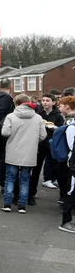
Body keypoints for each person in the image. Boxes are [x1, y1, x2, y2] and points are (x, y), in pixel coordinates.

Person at [1, 94, 47, 214]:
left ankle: (7, 203)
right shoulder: (38, 118)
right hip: (29, 151)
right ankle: (22, 205)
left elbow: (5, 132)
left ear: (17, 104)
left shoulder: (10, 116)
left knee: (10, 178)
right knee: (25, 179)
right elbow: (43, 135)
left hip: (13, 150)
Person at [33, 94, 65, 198]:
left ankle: (63, 195)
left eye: (47, 100)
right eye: (43, 100)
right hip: (40, 144)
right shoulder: (38, 114)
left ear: (53, 102)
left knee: (58, 169)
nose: (45, 102)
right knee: (36, 170)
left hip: (53, 143)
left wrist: (55, 128)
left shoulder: (58, 115)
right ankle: (31, 194)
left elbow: (62, 129)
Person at [56, 96, 75, 234]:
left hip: (71, 161)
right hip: (73, 162)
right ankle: (66, 221)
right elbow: (71, 144)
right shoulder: (71, 124)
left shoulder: (71, 123)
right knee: (71, 190)